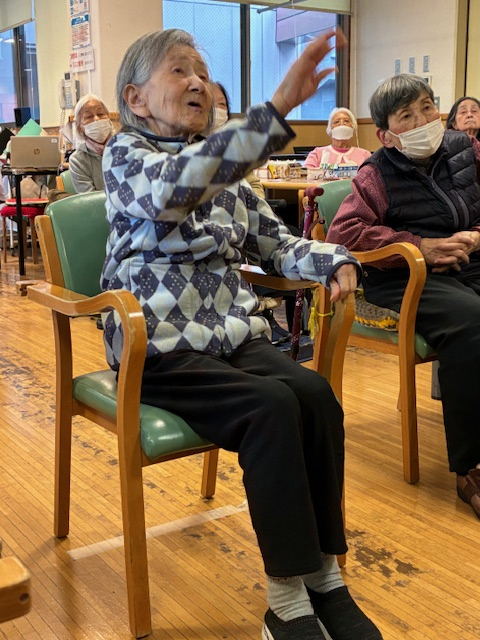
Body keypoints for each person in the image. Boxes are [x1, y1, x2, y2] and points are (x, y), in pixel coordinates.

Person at [101, 27, 383, 640]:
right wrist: (276, 109)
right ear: (136, 98)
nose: (198, 83)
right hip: (159, 345)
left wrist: (333, 258)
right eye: (180, 70)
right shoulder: (124, 155)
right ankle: (285, 599)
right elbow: (176, 187)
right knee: (271, 406)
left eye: (203, 72)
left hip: (231, 334)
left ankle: (325, 576)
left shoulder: (228, 172)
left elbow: (276, 244)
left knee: (315, 396)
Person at [326, 73, 480, 521]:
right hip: (403, 274)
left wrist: (474, 235)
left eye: (427, 108)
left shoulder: (467, 151)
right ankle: (471, 467)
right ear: (386, 134)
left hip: (467, 259)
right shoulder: (376, 173)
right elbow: (344, 233)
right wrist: (419, 245)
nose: (422, 121)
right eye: (406, 116)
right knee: (471, 320)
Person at [68, 93, 113, 192]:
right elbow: (90, 199)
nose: (96, 119)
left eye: (100, 114)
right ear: (80, 128)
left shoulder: (123, 148)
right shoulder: (78, 160)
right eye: (89, 116)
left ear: (109, 119)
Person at [304, 107, 371, 168]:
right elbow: (306, 174)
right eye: (336, 122)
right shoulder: (317, 154)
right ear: (330, 129)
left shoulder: (365, 155)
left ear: (353, 127)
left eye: (346, 121)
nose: (342, 123)